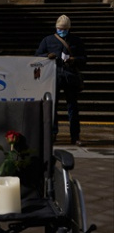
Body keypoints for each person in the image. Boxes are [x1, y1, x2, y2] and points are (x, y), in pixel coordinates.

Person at [35, 14, 86, 145]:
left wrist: (74, 60)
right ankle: (53, 133)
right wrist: (47, 55)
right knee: (53, 107)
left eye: (64, 29)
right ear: (56, 28)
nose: (62, 31)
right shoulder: (47, 40)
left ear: (69, 29)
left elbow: (84, 59)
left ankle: (75, 136)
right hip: (54, 76)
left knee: (72, 108)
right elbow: (37, 56)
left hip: (70, 77)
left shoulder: (76, 41)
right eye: (59, 29)